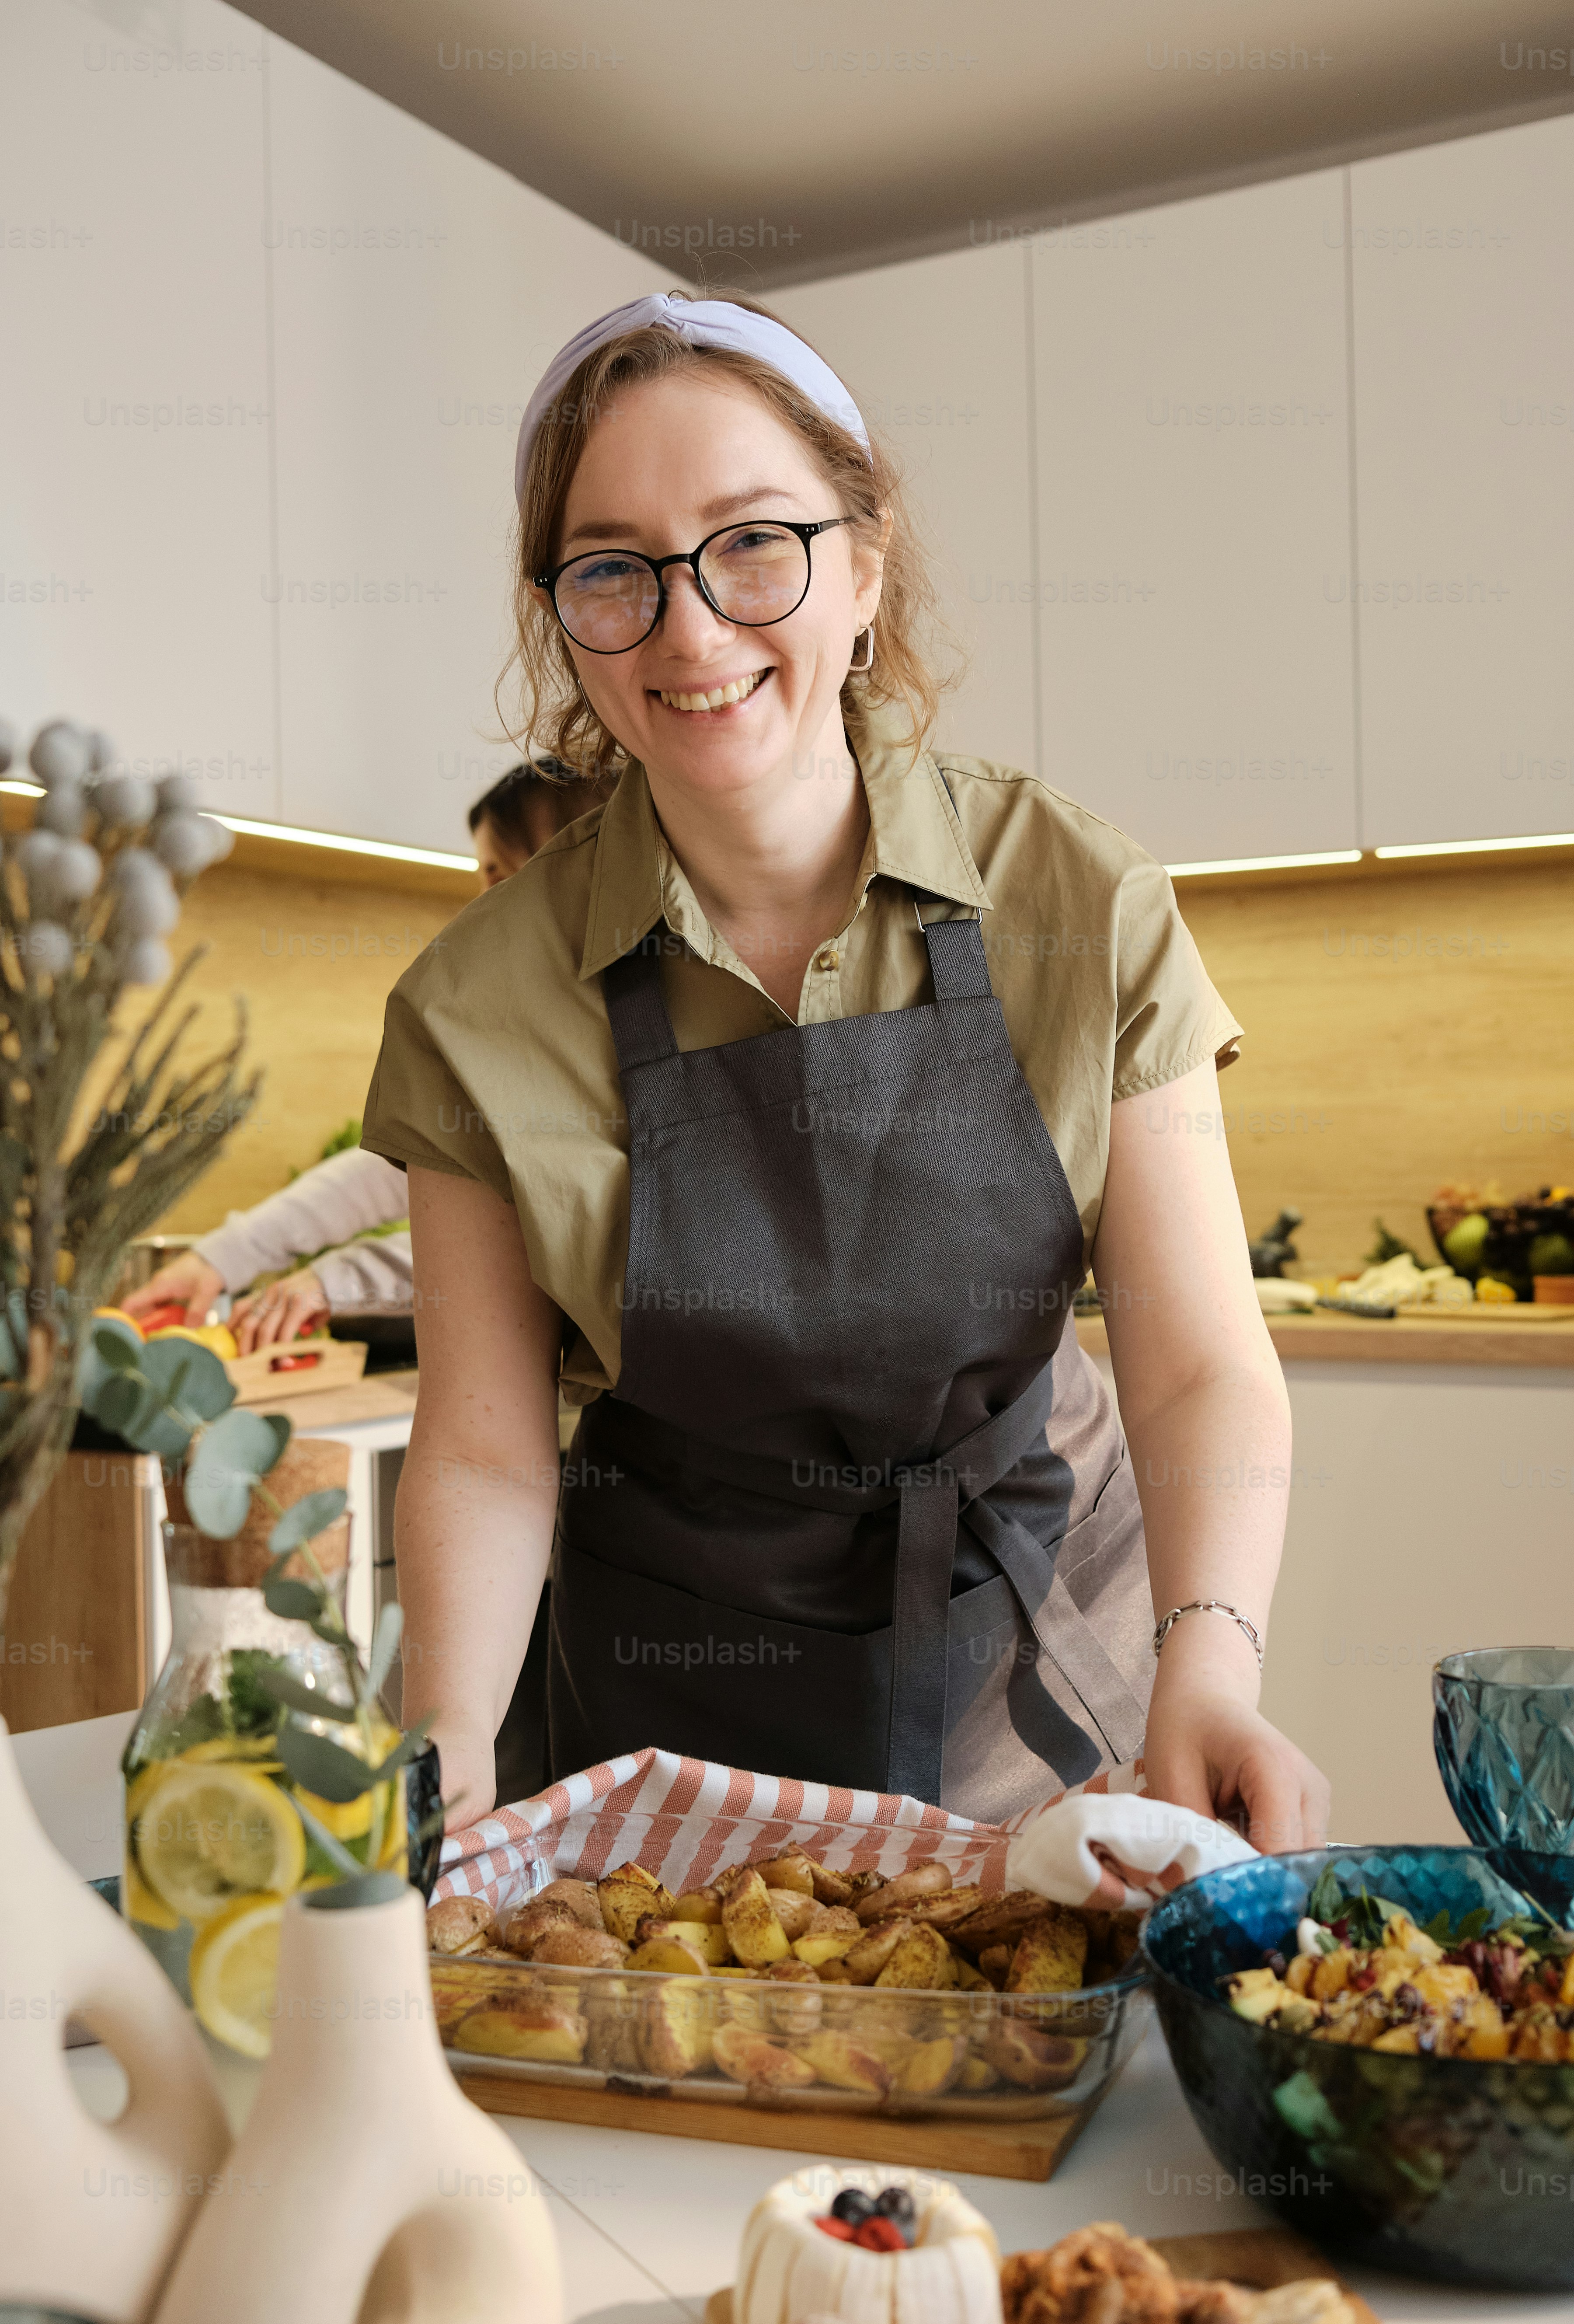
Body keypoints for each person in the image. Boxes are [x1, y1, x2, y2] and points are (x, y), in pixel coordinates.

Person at [362, 292, 1330, 1849]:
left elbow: (1198, 1357)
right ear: (566, 619)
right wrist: (448, 1739)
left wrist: (1206, 1668)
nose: (690, 626)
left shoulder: (1076, 902)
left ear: (864, 568)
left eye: (754, 543)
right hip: (662, 1731)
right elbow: (482, 1443)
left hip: (1039, 1687)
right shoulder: (476, 1004)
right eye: (614, 568)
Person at [121, 762, 610, 1348]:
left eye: (497, 875)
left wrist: (340, 1280)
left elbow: (543, 1229)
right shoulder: (522, 1025)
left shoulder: (623, 1028)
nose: (478, 906)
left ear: (571, 863)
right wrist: (221, 1260)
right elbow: (407, 1165)